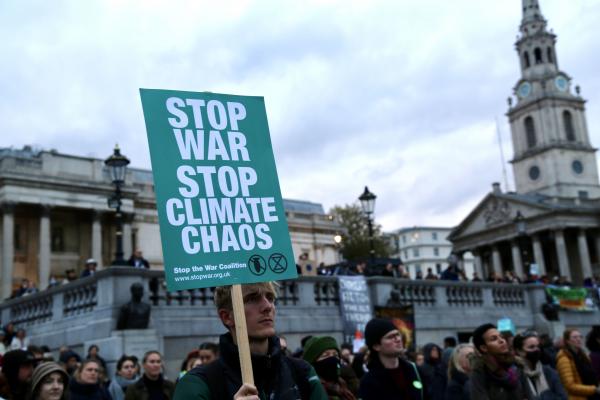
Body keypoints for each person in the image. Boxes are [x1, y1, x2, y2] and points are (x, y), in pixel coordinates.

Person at [174, 282, 328, 399]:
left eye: (270, 297)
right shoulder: (197, 384)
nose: (268, 306)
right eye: (252, 299)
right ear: (227, 317)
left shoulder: (303, 372)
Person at [359, 318, 426, 400]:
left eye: (397, 334)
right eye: (390, 337)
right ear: (376, 346)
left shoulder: (414, 370)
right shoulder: (369, 381)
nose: (398, 339)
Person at [469, 323, 533, 399]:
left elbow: (530, 396)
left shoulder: (516, 365)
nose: (502, 340)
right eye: (494, 339)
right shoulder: (480, 372)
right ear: (484, 348)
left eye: (502, 337)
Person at [512, 331, 567, 399]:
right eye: (531, 347)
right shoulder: (514, 375)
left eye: (538, 346)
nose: (536, 350)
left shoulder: (548, 371)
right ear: (519, 351)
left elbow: (563, 397)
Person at [556, 328, 600, 400]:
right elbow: (570, 386)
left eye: (580, 337)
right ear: (567, 341)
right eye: (575, 337)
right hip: (579, 397)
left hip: (592, 395)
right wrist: (594, 389)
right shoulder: (564, 359)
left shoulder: (583, 356)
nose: (579, 339)